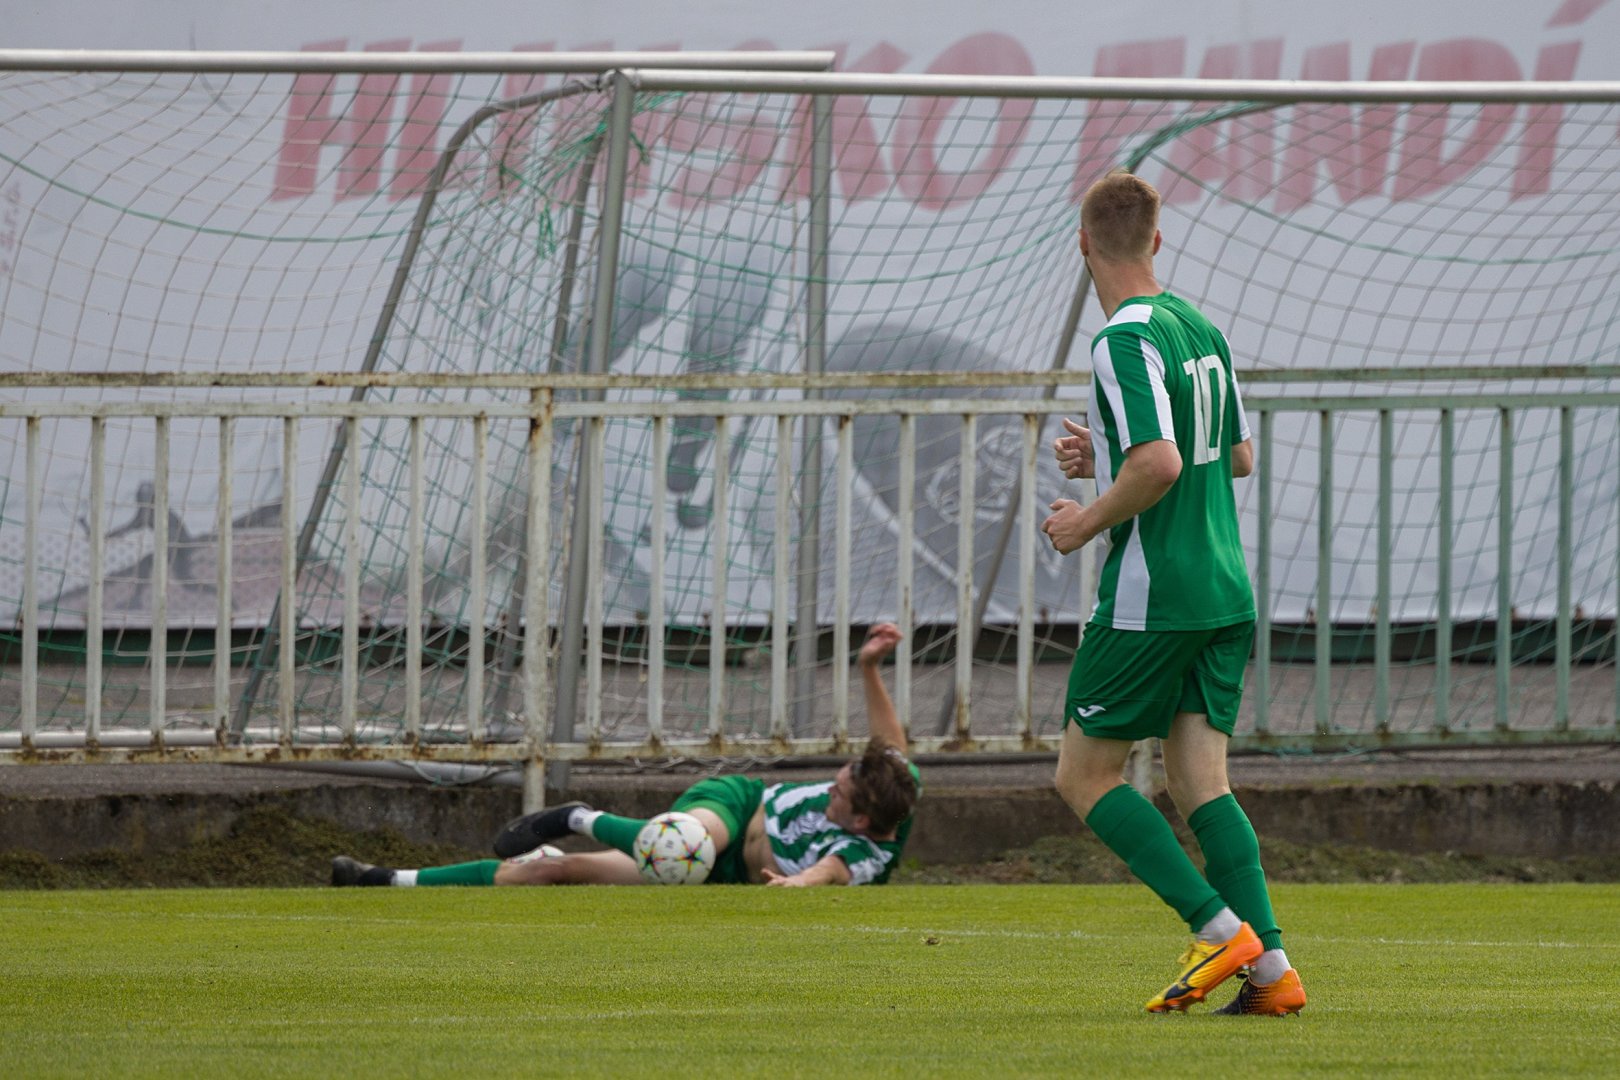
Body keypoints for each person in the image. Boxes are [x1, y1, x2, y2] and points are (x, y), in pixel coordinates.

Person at [1040, 170, 1305, 1017]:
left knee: (1084, 775)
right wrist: (1111, 448)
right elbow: (1235, 456)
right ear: (1157, 240)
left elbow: (1158, 464)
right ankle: (1272, 973)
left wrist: (1085, 520)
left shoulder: (1121, 338)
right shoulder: (1200, 327)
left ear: (1083, 244)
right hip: (1225, 587)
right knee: (1201, 783)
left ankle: (1219, 929)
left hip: (1156, 593)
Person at [331, 623, 920, 889]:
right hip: (735, 807)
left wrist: (800, 886)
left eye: (839, 794)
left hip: (721, 875)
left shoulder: (864, 853)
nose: (831, 786)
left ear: (862, 820)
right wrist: (869, 665)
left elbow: (827, 872)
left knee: (549, 871)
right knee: (682, 846)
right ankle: (576, 816)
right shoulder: (894, 777)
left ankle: (384, 880)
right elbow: (890, 740)